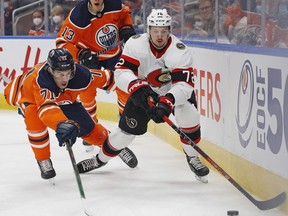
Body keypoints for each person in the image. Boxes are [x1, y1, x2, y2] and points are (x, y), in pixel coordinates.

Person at [77, 9, 210, 183]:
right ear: (149, 30)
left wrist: (168, 100)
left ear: (170, 30)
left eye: (163, 31)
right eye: (155, 31)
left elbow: (184, 86)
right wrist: (136, 87)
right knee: (124, 134)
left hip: (173, 94)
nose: (160, 36)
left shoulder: (181, 52)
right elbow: (121, 72)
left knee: (189, 115)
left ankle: (193, 158)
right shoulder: (135, 44)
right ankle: (99, 160)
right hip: (144, 93)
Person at [3, 48, 138, 180]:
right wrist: (62, 124)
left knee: (88, 129)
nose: (65, 79)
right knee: (34, 119)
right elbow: (47, 110)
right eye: (60, 74)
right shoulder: (41, 81)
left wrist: (135, 87)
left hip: (62, 99)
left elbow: (110, 79)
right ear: (50, 70)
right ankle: (43, 160)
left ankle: (114, 145)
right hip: (30, 98)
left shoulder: (81, 74)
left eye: (68, 73)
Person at [56, 0, 136, 150]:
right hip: (88, 58)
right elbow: (62, 42)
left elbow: (125, 14)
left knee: (124, 84)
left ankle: (125, 120)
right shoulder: (77, 16)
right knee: (86, 91)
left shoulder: (114, 5)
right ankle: (91, 129)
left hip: (113, 54)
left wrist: (126, 27)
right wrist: (80, 53)